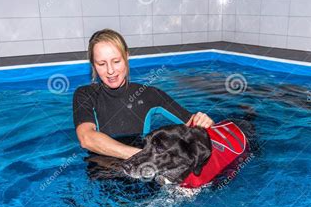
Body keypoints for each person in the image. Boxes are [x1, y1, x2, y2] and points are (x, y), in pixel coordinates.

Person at [73, 29, 214, 159]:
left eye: (116, 61)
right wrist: (145, 156)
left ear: (126, 56)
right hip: (104, 172)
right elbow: (86, 138)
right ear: (93, 64)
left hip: (145, 171)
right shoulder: (85, 94)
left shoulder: (149, 94)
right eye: (101, 64)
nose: (110, 70)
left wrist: (206, 122)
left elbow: (193, 123)